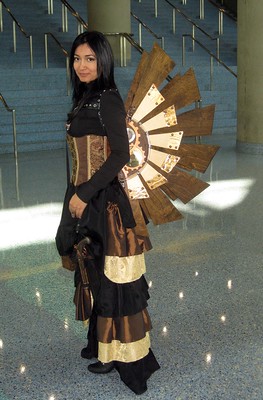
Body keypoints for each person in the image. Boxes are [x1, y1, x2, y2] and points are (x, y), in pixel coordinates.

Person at [55, 30, 160, 395]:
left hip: (106, 204)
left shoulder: (108, 101)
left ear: (103, 62)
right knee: (91, 271)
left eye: (90, 59)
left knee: (111, 280)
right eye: (77, 59)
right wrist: (72, 200)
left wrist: (83, 194)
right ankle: (101, 341)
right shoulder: (86, 98)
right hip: (85, 199)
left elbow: (120, 155)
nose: (82, 66)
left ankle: (119, 353)